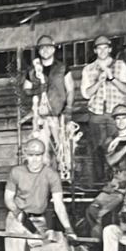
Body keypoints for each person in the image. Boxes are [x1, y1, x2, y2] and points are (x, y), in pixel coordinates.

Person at [2, 136, 74, 251]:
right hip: (16, 219)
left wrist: (68, 228)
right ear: (26, 155)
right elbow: (8, 198)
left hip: (38, 220)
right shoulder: (16, 172)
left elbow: (59, 204)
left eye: (39, 156)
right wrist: (18, 213)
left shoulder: (51, 175)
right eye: (31, 155)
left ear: (44, 156)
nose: (35, 160)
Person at [78, 34, 126, 188]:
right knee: (98, 149)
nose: (102, 51)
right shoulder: (88, 69)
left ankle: (119, 182)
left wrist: (112, 78)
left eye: (105, 48)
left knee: (117, 147)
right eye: (99, 48)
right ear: (95, 50)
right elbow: (86, 94)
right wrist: (99, 81)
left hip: (116, 116)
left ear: (110, 49)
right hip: (96, 114)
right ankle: (101, 184)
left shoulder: (120, 65)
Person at [24, 34, 76, 182]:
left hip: (59, 115)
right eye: (42, 48)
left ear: (53, 49)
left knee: (62, 148)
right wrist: (37, 88)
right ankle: (44, 180)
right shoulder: (33, 70)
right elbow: (26, 89)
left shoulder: (62, 68)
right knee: (42, 148)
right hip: (41, 117)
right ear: (39, 51)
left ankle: (65, 178)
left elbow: (70, 89)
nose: (45, 50)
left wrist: (69, 108)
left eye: (48, 47)